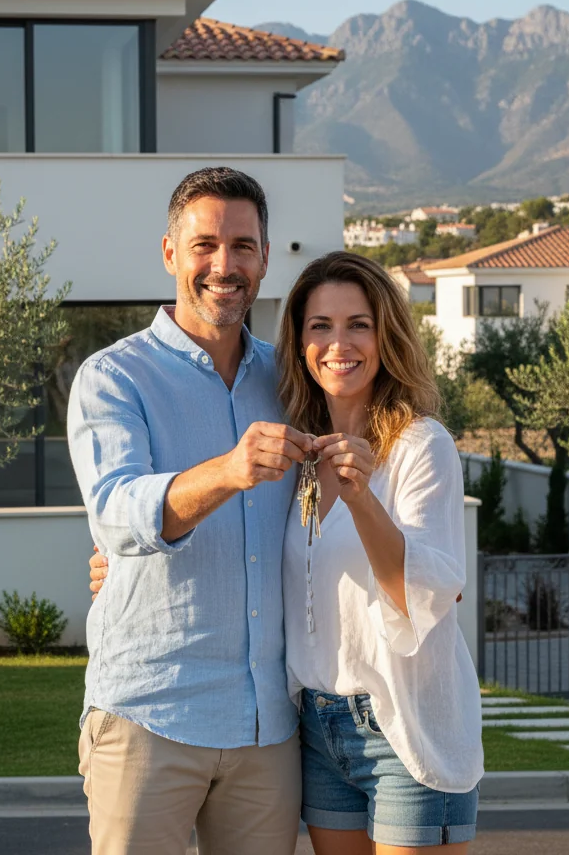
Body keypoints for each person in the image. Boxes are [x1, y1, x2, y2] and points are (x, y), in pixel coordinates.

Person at [90, 249, 484, 853]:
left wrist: (362, 501)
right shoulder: (296, 450)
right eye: (319, 326)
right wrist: (116, 564)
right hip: (316, 730)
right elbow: (204, 529)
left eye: (359, 324)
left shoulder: (420, 446)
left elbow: (430, 593)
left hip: (405, 727)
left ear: (388, 336)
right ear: (298, 344)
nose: (338, 343)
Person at [68, 167, 310, 855]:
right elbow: (116, 513)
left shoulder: (291, 379)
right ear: (171, 253)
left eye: (243, 246)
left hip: (269, 726)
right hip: (150, 717)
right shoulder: (114, 377)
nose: (224, 265)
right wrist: (229, 471)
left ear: (265, 257)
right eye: (205, 244)